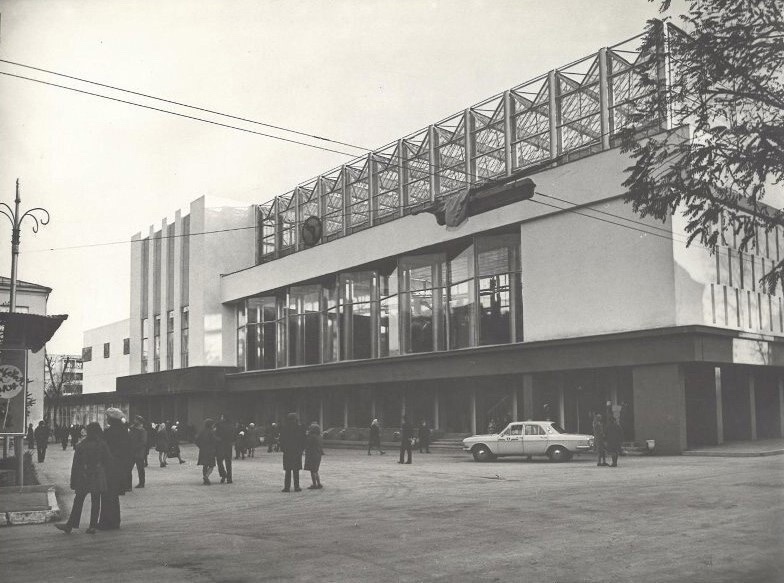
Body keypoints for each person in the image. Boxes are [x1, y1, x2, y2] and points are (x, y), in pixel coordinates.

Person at [55, 422, 111, 535]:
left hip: (83, 476)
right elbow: (108, 460)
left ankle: (70, 524)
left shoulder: (81, 445)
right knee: (96, 500)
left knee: (78, 500)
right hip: (97, 475)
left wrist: (73, 481)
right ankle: (92, 526)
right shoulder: (102, 444)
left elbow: (76, 465)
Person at [97, 408, 131, 530]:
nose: (107, 419)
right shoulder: (124, 431)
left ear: (112, 419)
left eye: (108, 417)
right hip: (119, 467)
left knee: (106, 495)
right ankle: (115, 521)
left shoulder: (109, 432)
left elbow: (103, 448)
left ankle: (106, 522)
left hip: (109, 467)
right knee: (114, 495)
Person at [279, 412, 305, 492]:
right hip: (296, 452)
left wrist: (283, 449)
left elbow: (281, 440)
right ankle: (296, 487)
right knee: (296, 470)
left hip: (288, 452)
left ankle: (287, 487)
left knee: (288, 470)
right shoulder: (299, 428)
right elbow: (303, 440)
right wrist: (301, 449)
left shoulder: (285, 428)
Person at [195, 418, 217, 485]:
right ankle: (206, 476)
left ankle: (205, 479)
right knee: (211, 465)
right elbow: (214, 441)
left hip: (203, 450)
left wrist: (200, 446)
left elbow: (196, 440)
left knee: (205, 465)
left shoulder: (202, 431)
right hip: (210, 450)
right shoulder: (211, 432)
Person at [214, 414, 235, 484]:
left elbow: (215, 434)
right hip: (228, 445)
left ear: (223, 418)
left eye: (222, 416)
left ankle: (223, 474)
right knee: (228, 462)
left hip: (220, 445)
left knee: (219, 461)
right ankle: (229, 479)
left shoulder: (218, 424)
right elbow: (234, 435)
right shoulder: (231, 425)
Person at [129, 416, 147, 488]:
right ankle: (128, 485)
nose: (134, 420)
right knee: (128, 468)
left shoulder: (142, 430)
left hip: (139, 453)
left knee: (140, 469)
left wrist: (134, 447)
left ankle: (141, 483)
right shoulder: (132, 429)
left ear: (140, 421)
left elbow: (143, 442)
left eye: (136, 420)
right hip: (132, 452)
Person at [304, 423, 324, 489]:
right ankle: (319, 483)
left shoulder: (312, 436)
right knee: (315, 470)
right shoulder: (319, 436)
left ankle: (314, 484)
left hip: (312, 454)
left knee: (312, 470)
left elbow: (307, 444)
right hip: (318, 454)